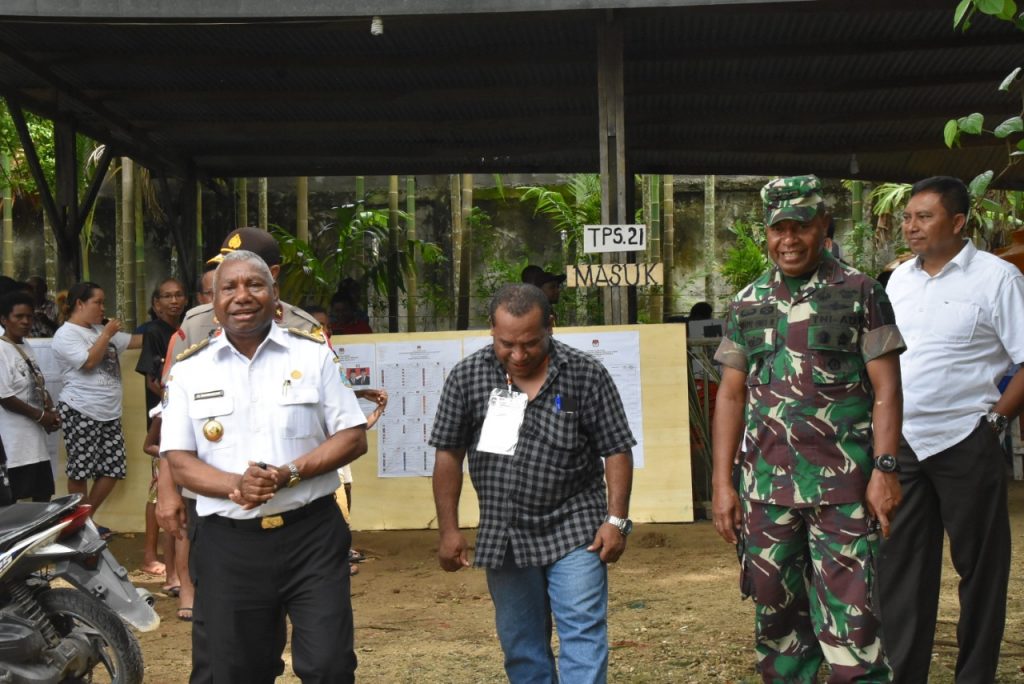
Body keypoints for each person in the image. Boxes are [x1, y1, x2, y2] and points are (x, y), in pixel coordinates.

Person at [711, 174, 904, 682]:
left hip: (845, 488)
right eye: (779, 229)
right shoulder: (747, 301)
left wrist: (885, 468)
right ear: (767, 233)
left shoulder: (862, 292)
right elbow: (730, 395)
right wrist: (722, 483)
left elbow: (887, 389)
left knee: (853, 620)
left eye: (800, 226)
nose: (789, 240)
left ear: (823, 227)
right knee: (775, 613)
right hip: (766, 489)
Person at [160, 250, 368, 683]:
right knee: (237, 670)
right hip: (228, 544)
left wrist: (289, 474)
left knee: (329, 665)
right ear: (213, 303)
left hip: (311, 535)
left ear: (275, 297)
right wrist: (236, 484)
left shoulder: (313, 355)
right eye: (229, 287)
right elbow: (178, 458)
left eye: (254, 285)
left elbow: (352, 436)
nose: (242, 296)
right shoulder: (189, 369)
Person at [430, 283, 635, 683]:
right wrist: (448, 529)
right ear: (492, 329)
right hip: (504, 533)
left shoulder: (585, 374)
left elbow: (617, 449)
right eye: (507, 344)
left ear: (550, 326)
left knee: (583, 631)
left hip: (576, 528)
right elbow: (448, 455)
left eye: (530, 344)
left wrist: (616, 520)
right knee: (522, 645)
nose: (519, 355)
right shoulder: (467, 377)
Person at [878, 176, 1024, 683]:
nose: (911, 226)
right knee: (901, 569)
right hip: (904, 446)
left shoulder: (998, 278)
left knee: (980, 570)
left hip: (966, 440)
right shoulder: (898, 280)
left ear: (958, 222)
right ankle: (904, 674)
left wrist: (996, 422)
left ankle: (975, 675)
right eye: (908, 217)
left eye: (924, 217)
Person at [51, 281, 142, 518]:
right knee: (80, 471)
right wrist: (107, 333)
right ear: (80, 304)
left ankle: (84, 520)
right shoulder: (66, 334)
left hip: (110, 412)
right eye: (98, 302)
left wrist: (171, 330)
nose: (103, 308)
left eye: (103, 303)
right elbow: (89, 362)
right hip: (80, 409)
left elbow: (135, 341)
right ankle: (81, 524)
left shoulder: (97, 330)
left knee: (114, 468)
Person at [135, 278, 186, 581]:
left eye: (178, 295)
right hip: (163, 420)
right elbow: (153, 381)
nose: (174, 301)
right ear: (156, 303)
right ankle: (149, 556)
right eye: (167, 296)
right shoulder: (155, 332)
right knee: (158, 490)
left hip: (180, 418)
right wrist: (174, 401)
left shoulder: (184, 331)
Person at [0, 291, 58, 502]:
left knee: (43, 498)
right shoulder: (1, 349)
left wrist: (51, 412)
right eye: (19, 316)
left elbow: (37, 384)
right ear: (4, 319)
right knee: (17, 504)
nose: (25, 321)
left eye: (29, 316)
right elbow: (4, 396)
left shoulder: (26, 346)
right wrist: (41, 416)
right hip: (14, 445)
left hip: (35, 444)